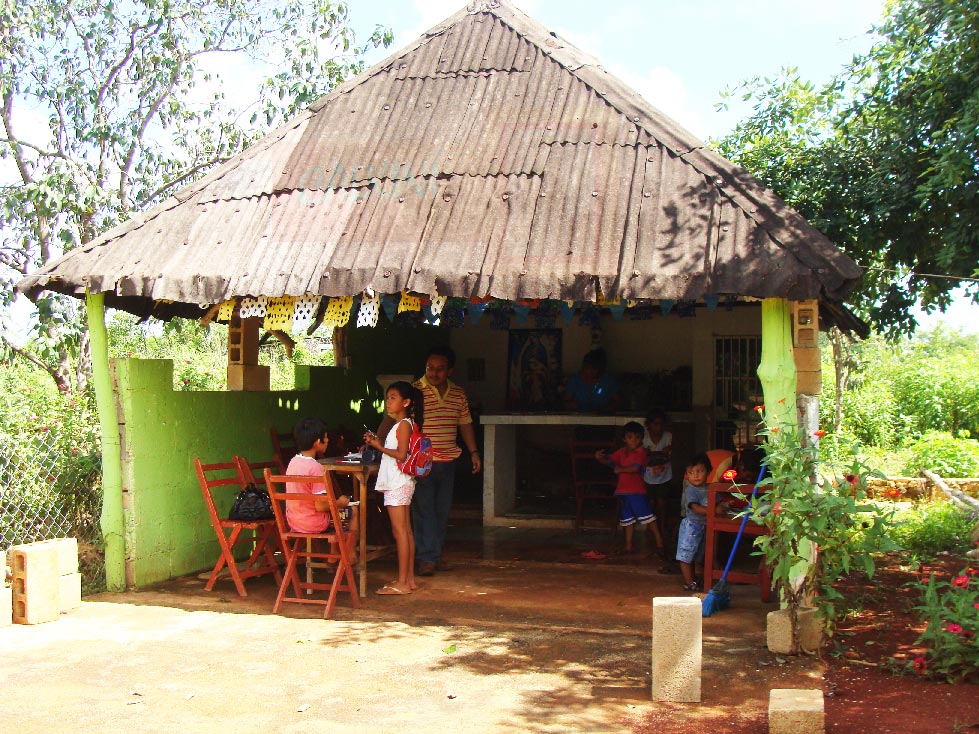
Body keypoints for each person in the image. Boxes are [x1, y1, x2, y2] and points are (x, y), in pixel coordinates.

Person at [377, 345, 481, 577]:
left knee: (442, 512)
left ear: (450, 371)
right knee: (424, 511)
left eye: (440, 369)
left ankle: (434, 554)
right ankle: (426, 558)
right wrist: (377, 440)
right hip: (420, 463)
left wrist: (473, 452)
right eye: (429, 368)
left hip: (448, 461)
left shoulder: (458, 394)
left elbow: (465, 424)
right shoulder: (414, 391)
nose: (434, 373)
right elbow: (391, 418)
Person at [364, 381, 421, 595]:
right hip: (401, 482)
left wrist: (378, 446)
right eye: (387, 397)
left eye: (393, 398)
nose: (388, 402)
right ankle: (409, 580)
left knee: (400, 532)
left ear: (406, 402)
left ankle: (403, 583)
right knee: (405, 531)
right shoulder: (402, 424)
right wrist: (378, 442)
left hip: (398, 482)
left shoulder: (404, 424)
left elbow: (401, 455)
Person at [595, 421, 664, 557]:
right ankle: (628, 546)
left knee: (649, 518)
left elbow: (635, 468)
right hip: (623, 492)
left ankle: (660, 543)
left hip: (637, 492)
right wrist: (599, 458)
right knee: (627, 520)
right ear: (624, 439)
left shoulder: (641, 452)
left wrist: (619, 469)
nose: (634, 440)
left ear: (641, 439)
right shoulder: (621, 452)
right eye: (630, 437)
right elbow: (609, 461)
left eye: (637, 437)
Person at [285, 417, 358, 536]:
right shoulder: (315, 467)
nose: (328, 440)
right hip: (315, 523)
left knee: (336, 511)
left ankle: (339, 548)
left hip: (294, 522)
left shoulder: (293, 462)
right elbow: (320, 506)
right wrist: (340, 503)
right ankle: (351, 548)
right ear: (317, 442)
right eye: (325, 437)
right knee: (353, 511)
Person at [642, 409, 679, 571]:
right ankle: (652, 527)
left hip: (664, 476)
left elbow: (676, 448)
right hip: (649, 476)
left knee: (662, 502)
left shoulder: (668, 437)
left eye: (661, 424)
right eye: (656, 424)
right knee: (651, 502)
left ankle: (661, 526)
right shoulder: (644, 439)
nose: (659, 427)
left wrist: (669, 449)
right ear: (649, 425)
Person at [676, 453, 712, 592]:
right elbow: (695, 508)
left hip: (703, 527)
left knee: (698, 555)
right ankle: (689, 582)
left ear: (708, 471)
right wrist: (713, 510)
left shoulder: (710, 488)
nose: (695, 475)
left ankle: (696, 578)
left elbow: (719, 501)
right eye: (691, 472)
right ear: (686, 475)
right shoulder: (691, 490)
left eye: (700, 471)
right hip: (691, 527)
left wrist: (724, 505)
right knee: (686, 554)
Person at [562, 347, 621, 413]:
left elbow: (618, 402)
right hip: (579, 417)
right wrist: (571, 405)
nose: (590, 372)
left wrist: (605, 410)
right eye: (587, 368)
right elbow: (565, 402)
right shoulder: (575, 381)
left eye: (594, 369)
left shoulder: (609, 381)